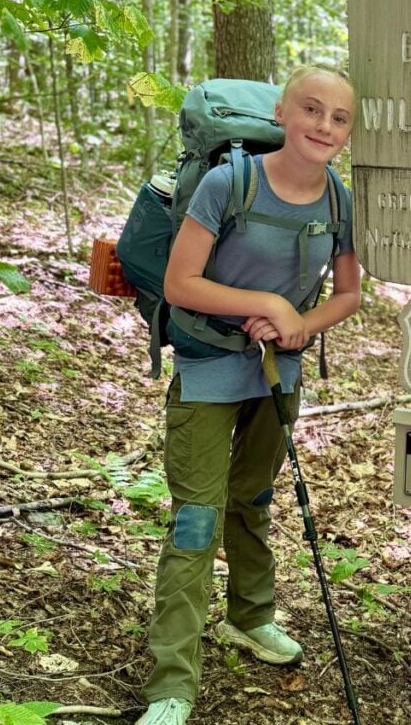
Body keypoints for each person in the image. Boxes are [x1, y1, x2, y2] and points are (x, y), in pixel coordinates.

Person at [138, 64, 360, 725]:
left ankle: (250, 616)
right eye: (311, 110)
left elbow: (349, 296)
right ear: (283, 116)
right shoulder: (227, 183)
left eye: (338, 117)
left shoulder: (338, 200)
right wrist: (265, 302)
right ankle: (171, 683)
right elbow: (181, 283)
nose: (323, 126)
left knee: (254, 499)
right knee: (196, 520)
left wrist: (297, 324)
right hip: (209, 363)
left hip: (275, 372)